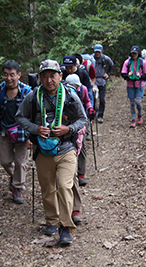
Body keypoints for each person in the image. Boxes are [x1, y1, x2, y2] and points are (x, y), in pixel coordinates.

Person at [15, 59, 88, 246]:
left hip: (66, 149)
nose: (49, 80)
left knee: (65, 186)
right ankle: (52, 220)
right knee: (48, 188)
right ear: (40, 78)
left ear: (60, 76)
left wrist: (68, 129)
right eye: (45, 76)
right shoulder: (33, 96)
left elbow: (82, 119)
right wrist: (35, 128)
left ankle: (65, 227)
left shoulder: (70, 95)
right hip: (43, 149)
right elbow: (20, 117)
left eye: (53, 76)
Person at [0, 60, 32, 205]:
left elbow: (34, 115)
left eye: (12, 75)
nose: (8, 78)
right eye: (5, 75)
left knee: (21, 162)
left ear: (19, 75)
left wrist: (32, 136)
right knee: (5, 161)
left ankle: (17, 188)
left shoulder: (27, 91)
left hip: (23, 133)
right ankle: (15, 177)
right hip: (5, 132)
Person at [64, 74, 95, 224]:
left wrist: (90, 110)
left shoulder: (81, 90)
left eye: (75, 87)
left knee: (80, 151)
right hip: (64, 134)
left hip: (78, 129)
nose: (74, 90)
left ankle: (80, 174)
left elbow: (88, 102)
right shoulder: (61, 94)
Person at [121, 45, 146, 128]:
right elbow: (123, 74)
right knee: (132, 103)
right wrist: (128, 75)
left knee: (138, 101)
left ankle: (140, 115)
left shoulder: (142, 62)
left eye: (135, 53)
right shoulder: (127, 62)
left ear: (138, 54)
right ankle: (133, 119)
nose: (134, 55)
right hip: (130, 85)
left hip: (139, 84)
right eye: (132, 53)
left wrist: (140, 76)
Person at [92, 44, 114, 123]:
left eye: (99, 52)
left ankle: (100, 115)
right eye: (96, 52)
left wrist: (108, 73)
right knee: (93, 98)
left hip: (102, 81)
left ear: (102, 51)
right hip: (93, 81)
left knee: (102, 99)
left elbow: (111, 64)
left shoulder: (105, 58)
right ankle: (94, 112)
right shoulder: (91, 58)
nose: (97, 53)